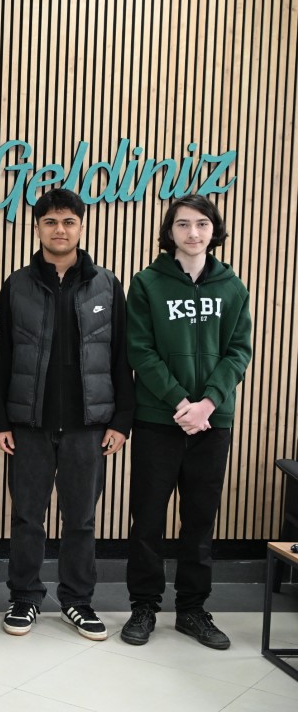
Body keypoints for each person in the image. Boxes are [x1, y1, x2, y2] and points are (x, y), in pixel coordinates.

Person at [0, 187, 134, 641]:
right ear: (38, 228)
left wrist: (121, 421)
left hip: (87, 426)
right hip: (28, 424)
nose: (60, 229)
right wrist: (0, 421)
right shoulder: (17, 284)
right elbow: (3, 356)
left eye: (68, 221)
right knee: (27, 518)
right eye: (50, 221)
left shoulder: (106, 285)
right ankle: (24, 597)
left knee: (81, 520)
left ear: (81, 227)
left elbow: (120, 356)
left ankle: (78, 601)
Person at [121, 195, 252, 650]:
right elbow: (139, 349)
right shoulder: (147, 283)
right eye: (182, 224)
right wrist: (180, 401)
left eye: (201, 224)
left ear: (214, 230)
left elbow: (238, 351)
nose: (193, 233)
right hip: (159, 418)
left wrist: (208, 404)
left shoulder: (232, 288)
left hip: (212, 422)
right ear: (169, 231)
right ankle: (144, 606)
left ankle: (192, 610)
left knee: (199, 519)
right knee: (147, 518)